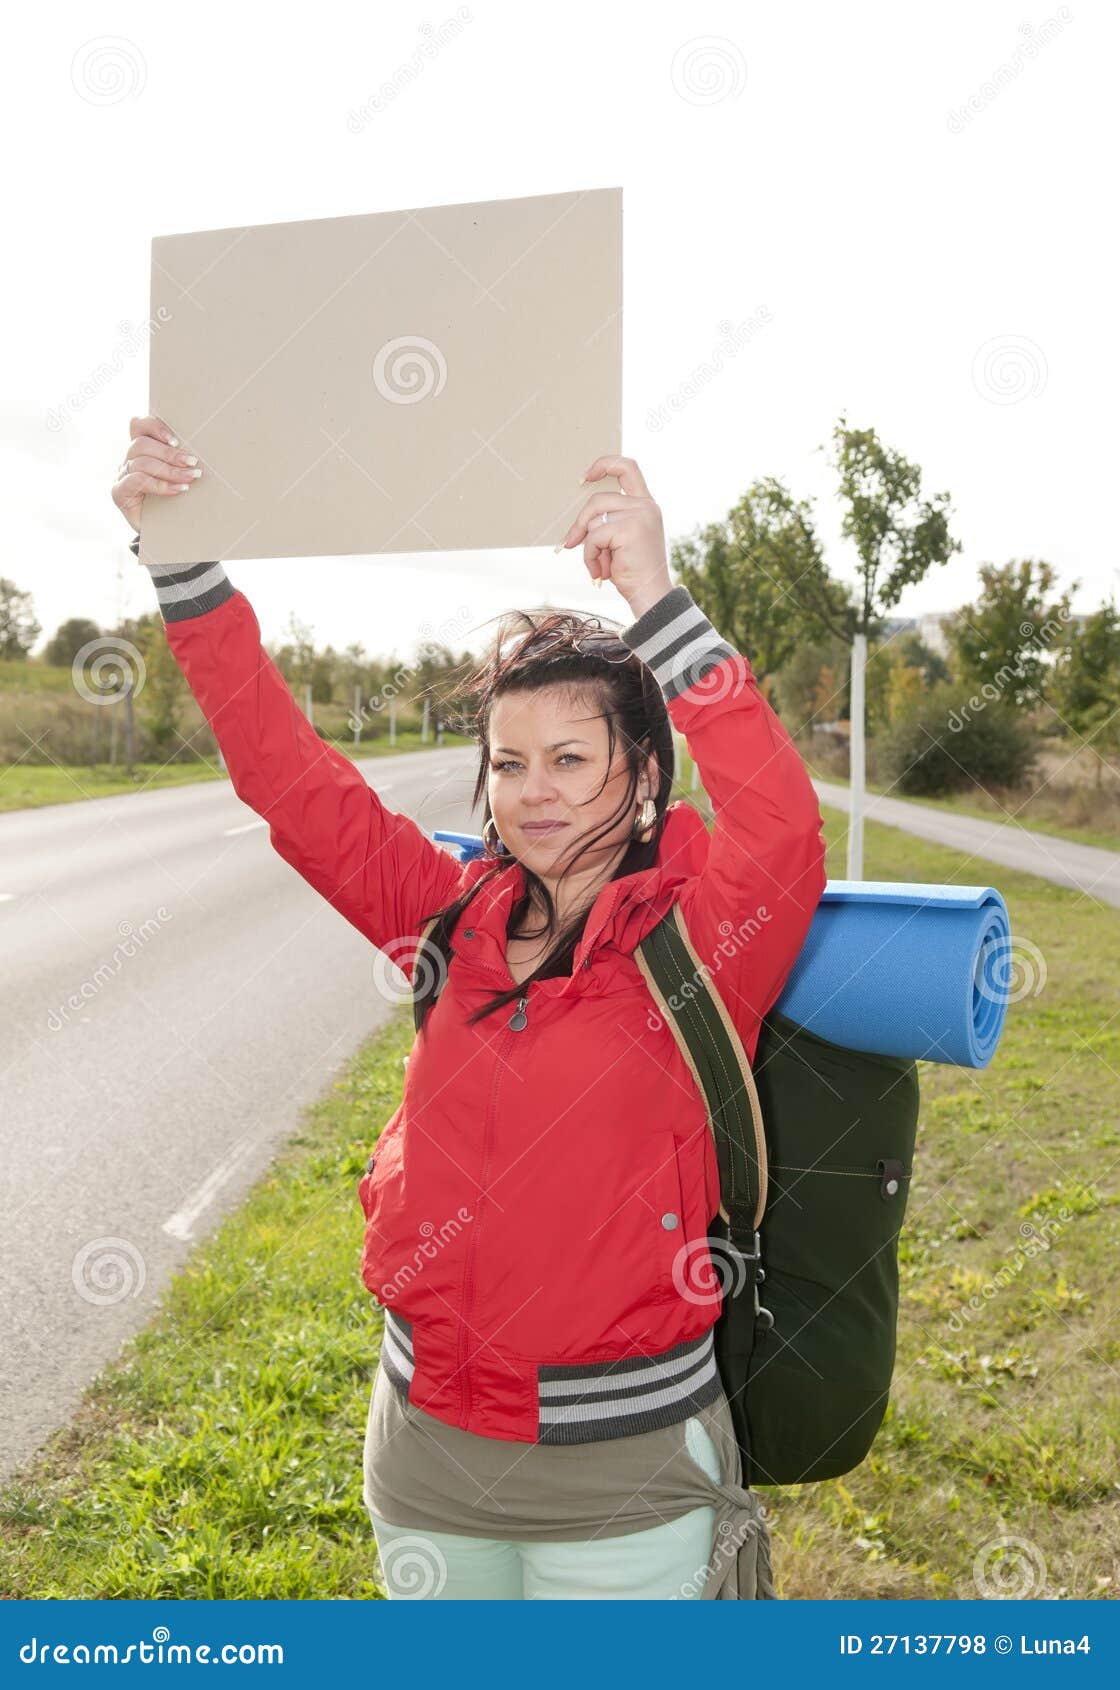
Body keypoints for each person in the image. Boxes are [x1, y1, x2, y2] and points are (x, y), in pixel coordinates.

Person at [112, 416, 827, 1600]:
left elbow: (781, 821)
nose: (532, 794)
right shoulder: (447, 915)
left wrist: (655, 596)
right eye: (507, 763)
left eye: (569, 759)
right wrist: (183, 569)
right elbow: (287, 778)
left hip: (624, 1480)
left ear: (644, 776)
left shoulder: (705, 937)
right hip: (426, 1458)